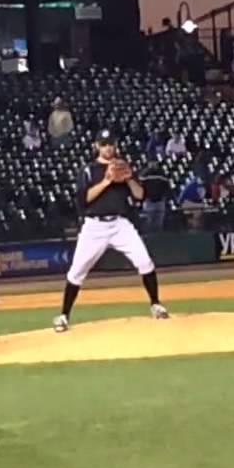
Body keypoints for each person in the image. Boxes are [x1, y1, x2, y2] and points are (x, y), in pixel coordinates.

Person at [54, 129, 167, 333]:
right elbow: (83, 200)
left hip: (119, 224)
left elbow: (140, 195)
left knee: (145, 262)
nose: (108, 147)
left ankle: (156, 304)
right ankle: (64, 315)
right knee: (77, 271)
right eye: (104, 144)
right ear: (97, 146)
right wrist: (107, 181)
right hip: (94, 226)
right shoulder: (88, 170)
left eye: (111, 143)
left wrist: (129, 178)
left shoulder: (122, 166)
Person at [139, 163, 171, 233]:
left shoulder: (162, 174)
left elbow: (167, 188)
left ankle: (159, 237)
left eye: (155, 163)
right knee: (148, 222)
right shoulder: (144, 174)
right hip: (149, 202)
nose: (153, 165)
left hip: (160, 202)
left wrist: (164, 198)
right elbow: (140, 187)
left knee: (159, 223)